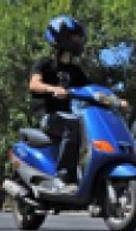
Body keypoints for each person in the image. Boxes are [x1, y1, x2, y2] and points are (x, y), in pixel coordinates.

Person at [28, 15, 90, 193]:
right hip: (47, 117)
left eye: (79, 37)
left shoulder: (76, 71)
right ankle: (62, 177)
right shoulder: (45, 64)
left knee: (88, 127)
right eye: (73, 37)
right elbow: (34, 84)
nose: (78, 41)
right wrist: (52, 89)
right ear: (59, 37)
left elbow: (91, 89)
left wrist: (115, 99)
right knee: (72, 124)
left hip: (66, 117)